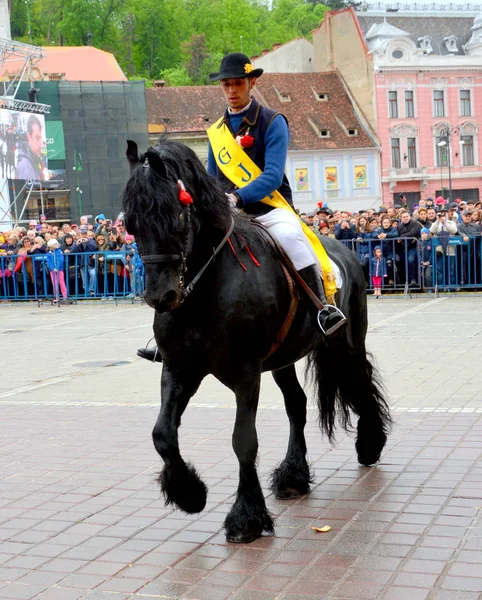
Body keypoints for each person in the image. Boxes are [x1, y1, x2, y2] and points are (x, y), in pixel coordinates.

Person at [138, 53, 346, 362]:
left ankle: (322, 309)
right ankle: (169, 333)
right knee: (192, 248)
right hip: (229, 211)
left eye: (238, 84)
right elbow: (212, 179)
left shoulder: (273, 122)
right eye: (226, 85)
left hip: (269, 208)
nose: (232, 91)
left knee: (291, 238)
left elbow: (273, 175)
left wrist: (237, 197)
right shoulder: (217, 131)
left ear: (252, 83)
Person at [16, 115, 45, 181]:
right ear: (29, 137)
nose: (41, 145)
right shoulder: (24, 165)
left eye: (41, 139)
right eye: (37, 138)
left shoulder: (34, 160)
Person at [46, 238, 70, 303]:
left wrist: (57, 267)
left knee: (62, 283)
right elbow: (49, 262)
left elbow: (61, 260)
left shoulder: (59, 251)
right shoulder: (49, 253)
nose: (56, 245)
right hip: (52, 271)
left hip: (60, 270)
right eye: (54, 244)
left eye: (56, 243)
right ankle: (56, 296)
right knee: (54, 283)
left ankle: (64, 296)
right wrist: (53, 268)